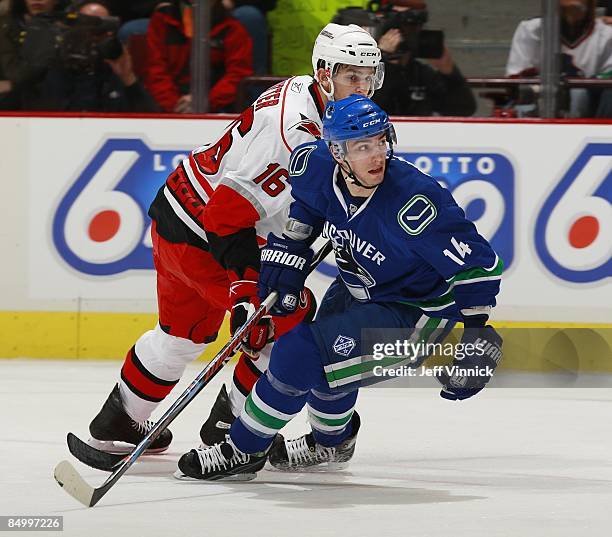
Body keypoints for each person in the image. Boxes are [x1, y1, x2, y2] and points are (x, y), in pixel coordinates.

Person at [82, 24, 384, 461]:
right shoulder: (295, 135)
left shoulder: (310, 97)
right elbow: (227, 215)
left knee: (182, 335)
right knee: (287, 315)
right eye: (351, 76)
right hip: (208, 231)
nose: (363, 87)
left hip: (177, 211)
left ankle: (120, 418)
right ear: (323, 73)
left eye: (369, 76)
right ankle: (233, 427)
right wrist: (244, 290)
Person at [176, 95, 504, 480]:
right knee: (328, 370)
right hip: (356, 287)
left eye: (380, 141)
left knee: (300, 353)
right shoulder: (312, 166)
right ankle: (331, 443)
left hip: (416, 316)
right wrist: (290, 254)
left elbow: (478, 266)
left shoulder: (416, 201)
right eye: (362, 146)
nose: (376, 155)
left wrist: (478, 330)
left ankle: (243, 449)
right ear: (336, 152)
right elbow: (308, 208)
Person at [506, 0, 612, 117]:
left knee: (580, 93)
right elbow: (517, 81)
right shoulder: (530, 29)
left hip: (591, 115)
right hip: (538, 112)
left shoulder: (607, 35)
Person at [370, 0, 476, 116]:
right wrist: (386, 62)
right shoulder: (364, 72)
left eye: (413, 25)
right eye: (399, 23)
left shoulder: (421, 73)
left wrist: (450, 73)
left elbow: (464, 109)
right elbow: (368, 110)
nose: (408, 32)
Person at [145, 0, 253, 113]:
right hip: (170, 105)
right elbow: (155, 69)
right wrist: (174, 105)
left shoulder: (232, 27)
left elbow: (238, 74)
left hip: (218, 105)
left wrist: (206, 102)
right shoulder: (162, 20)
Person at [0, 0, 68, 110]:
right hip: (11, 104)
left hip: (56, 101)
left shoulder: (68, 26)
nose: (37, 0)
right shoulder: (6, 26)